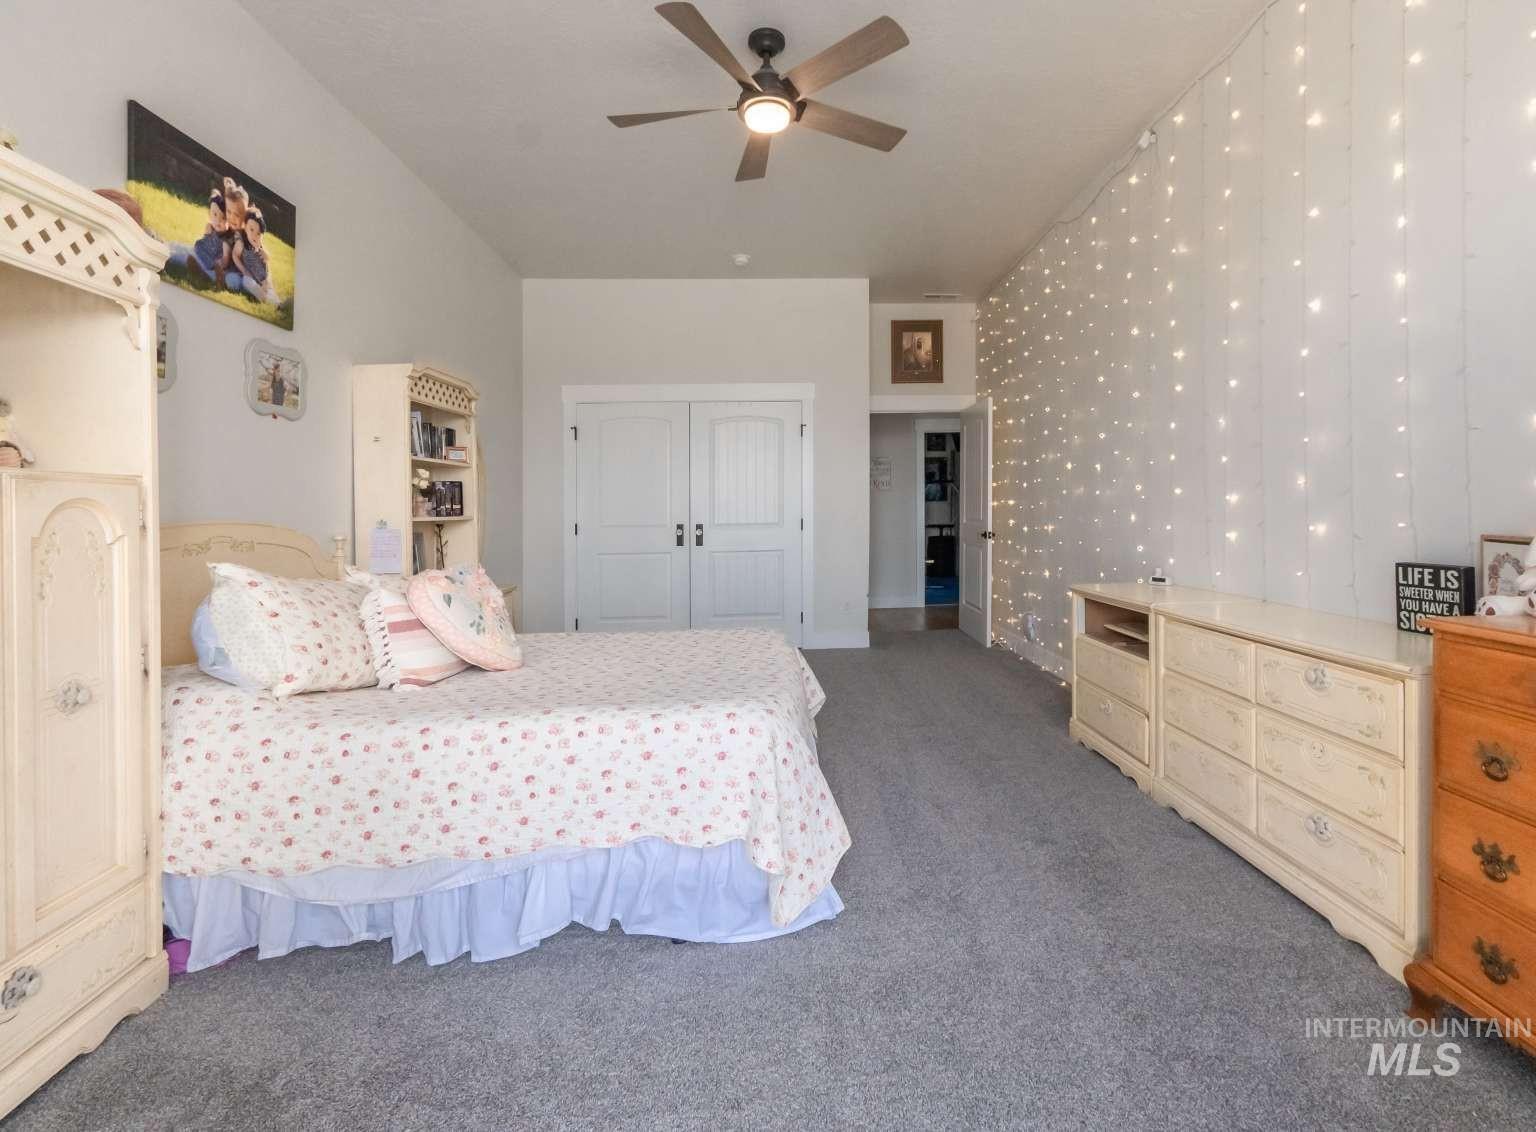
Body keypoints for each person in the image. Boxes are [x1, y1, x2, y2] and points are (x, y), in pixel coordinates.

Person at [166, 189, 229, 281]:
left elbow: (223, 260)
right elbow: (204, 244)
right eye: (215, 215)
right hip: (200, 253)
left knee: (180, 256)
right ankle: (162, 243)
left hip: (209, 263)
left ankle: (165, 251)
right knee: (177, 246)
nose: (218, 221)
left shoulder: (227, 239)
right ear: (210, 214)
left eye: (223, 218)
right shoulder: (210, 227)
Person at [225, 207, 278, 303]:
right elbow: (235, 255)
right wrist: (243, 270)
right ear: (245, 227)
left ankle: (278, 303)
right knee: (247, 281)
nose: (255, 235)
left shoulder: (259, 244)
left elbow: (267, 259)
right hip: (250, 275)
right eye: (252, 230)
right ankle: (261, 294)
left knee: (269, 288)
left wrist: (266, 255)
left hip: (263, 276)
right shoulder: (242, 243)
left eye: (258, 233)